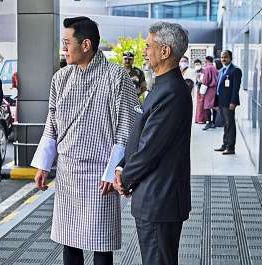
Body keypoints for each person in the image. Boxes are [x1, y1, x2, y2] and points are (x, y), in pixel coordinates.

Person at [31, 16, 137, 265]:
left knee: (101, 246)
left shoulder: (117, 77)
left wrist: (114, 171)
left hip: (101, 174)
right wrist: (44, 165)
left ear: (86, 45)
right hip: (68, 172)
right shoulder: (61, 78)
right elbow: (52, 122)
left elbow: (127, 127)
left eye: (67, 43)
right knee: (70, 243)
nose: (63, 48)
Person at [113, 21, 192, 265]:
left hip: (160, 198)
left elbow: (150, 150)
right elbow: (141, 133)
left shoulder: (171, 91)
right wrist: (121, 167)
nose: (145, 52)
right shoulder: (164, 86)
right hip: (156, 195)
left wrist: (125, 178)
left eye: (148, 46)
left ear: (165, 51)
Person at [214, 50, 242, 155]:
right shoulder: (221, 70)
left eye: (225, 57)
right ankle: (225, 144)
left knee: (230, 124)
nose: (223, 59)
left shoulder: (235, 70)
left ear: (230, 58)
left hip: (229, 103)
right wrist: (216, 103)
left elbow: (236, 88)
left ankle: (230, 148)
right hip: (221, 102)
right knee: (225, 124)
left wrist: (233, 102)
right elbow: (218, 88)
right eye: (221, 57)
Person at [201, 56, 219, 130]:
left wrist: (202, 91)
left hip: (209, 89)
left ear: (207, 61)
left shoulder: (207, 68)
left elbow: (205, 80)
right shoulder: (215, 68)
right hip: (216, 89)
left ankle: (209, 123)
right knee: (214, 106)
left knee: (207, 106)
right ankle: (214, 122)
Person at [194, 58, 206, 123]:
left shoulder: (203, 71)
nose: (197, 65)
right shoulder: (196, 71)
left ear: (201, 64)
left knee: (202, 104)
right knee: (198, 104)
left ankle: (202, 119)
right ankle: (198, 119)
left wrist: (199, 79)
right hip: (198, 89)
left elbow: (203, 81)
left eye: (198, 64)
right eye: (196, 64)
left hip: (203, 89)